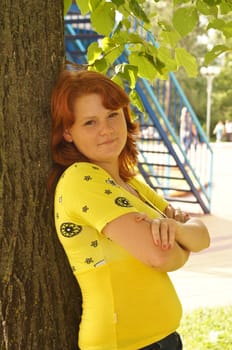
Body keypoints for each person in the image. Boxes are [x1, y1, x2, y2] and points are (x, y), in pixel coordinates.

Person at [48, 69, 210, 350]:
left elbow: (202, 237)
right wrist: (182, 245)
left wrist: (176, 229)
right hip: (123, 343)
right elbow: (159, 256)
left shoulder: (128, 181)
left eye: (112, 114)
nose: (106, 129)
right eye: (89, 122)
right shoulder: (80, 180)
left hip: (163, 339)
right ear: (68, 133)